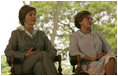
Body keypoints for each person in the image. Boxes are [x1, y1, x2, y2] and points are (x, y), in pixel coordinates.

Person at [4, 5, 58, 75]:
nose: (34, 17)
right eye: (30, 15)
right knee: (42, 54)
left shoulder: (41, 34)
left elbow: (52, 50)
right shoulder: (16, 34)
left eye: (34, 14)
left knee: (39, 65)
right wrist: (25, 55)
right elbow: (8, 51)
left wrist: (46, 59)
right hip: (23, 66)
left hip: (40, 64)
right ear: (23, 18)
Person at [69, 11, 116, 75]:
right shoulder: (74, 36)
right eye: (87, 18)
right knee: (110, 60)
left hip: (103, 61)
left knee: (111, 59)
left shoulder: (98, 34)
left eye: (91, 19)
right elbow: (73, 52)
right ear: (80, 22)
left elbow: (109, 50)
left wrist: (104, 55)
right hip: (87, 65)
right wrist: (90, 58)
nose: (90, 20)